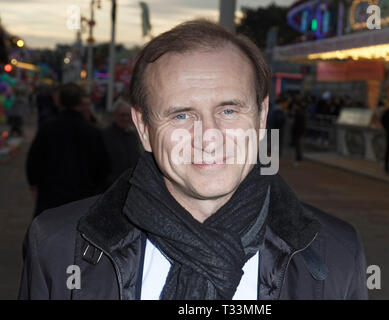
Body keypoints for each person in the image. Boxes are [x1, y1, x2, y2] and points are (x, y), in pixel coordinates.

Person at [19, 20, 367, 300]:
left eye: (229, 110)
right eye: (182, 116)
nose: (209, 137)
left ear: (261, 117)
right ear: (143, 127)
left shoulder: (335, 252)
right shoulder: (57, 244)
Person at [25, 83, 110, 217]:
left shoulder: (48, 127)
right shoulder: (93, 131)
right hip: (82, 196)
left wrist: (34, 184)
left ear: (59, 102)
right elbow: (103, 166)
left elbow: (34, 160)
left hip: (51, 196)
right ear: (80, 102)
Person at [102, 98, 141, 186]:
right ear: (114, 116)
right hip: (110, 185)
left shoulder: (133, 135)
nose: (125, 118)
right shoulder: (105, 135)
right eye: (122, 115)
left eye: (128, 115)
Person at [291, 100, 306, 166]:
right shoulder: (300, 112)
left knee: (298, 146)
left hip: (298, 132)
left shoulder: (299, 113)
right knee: (298, 145)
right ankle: (298, 158)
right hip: (299, 131)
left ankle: (298, 159)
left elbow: (298, 124)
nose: (294, 107)